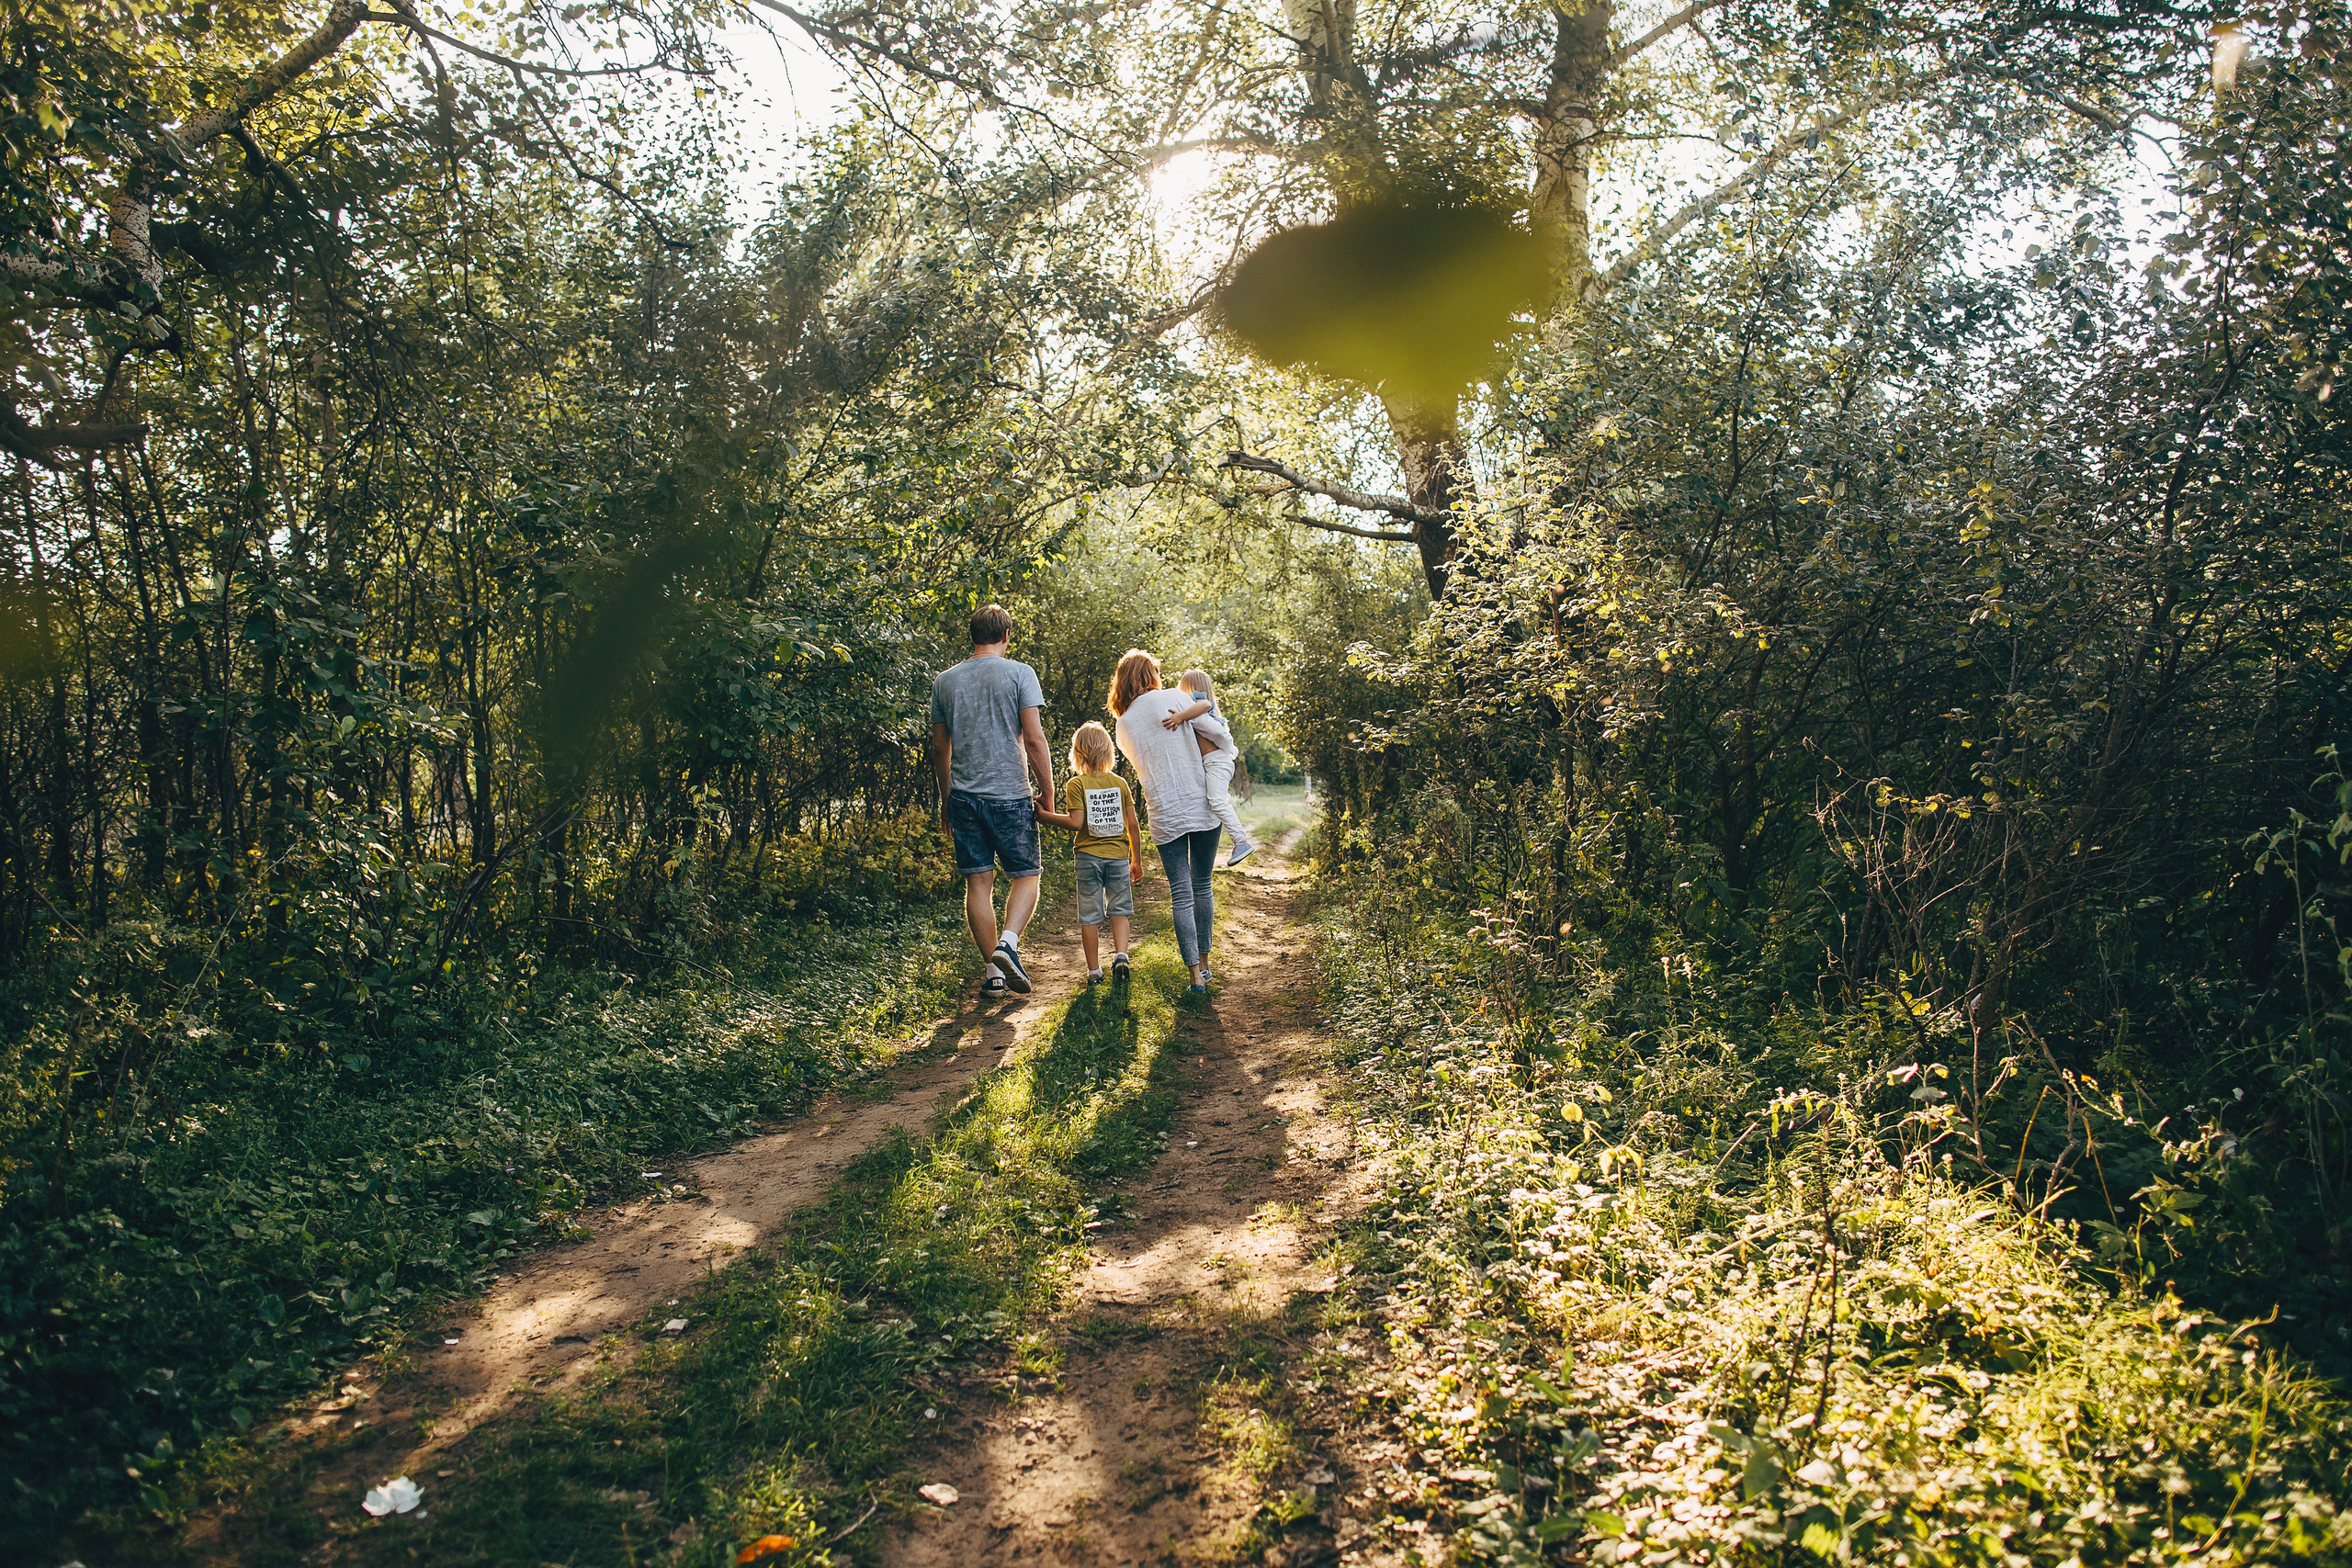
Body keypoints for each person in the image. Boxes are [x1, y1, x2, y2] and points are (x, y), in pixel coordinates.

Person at [930, 604, 1054, 998]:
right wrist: (1048, 790)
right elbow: (1034, 739)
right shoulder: (1020, 673)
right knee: (1027, 875)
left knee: (977, 885)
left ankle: (993, 974)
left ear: (973, 635)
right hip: (1010, 796)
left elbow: (939, 746)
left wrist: (946, 797)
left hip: (964, 798)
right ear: (1006, 636)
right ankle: (1008, 945)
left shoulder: (945, 681)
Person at [1108, 649, 1219, 998]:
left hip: (1165, 812)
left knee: (1181, 894)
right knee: (1202, 886)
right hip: (1201, 802)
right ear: (1150, 674)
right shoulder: (1175, 696)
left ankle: (1194, 978)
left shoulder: (1122, 725)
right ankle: (1204, 962)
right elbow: (1210, 732)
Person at [1032, 721, 1144, 985]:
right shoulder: (1120, 783)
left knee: (1090, 915)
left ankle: (1094, 971)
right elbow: (1133, 825)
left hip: (1087, 857)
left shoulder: (1076, 784)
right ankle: (1121, 955)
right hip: (1118, 856)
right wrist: (1136, 859)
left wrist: (1044, 816)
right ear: (1108, 752)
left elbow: (1076, 823)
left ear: (1078, 753)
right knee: (1119, 910)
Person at [1159, 668, 1258, 867]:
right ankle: (1239, 841)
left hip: (1217, 761)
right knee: (1214, 801)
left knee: (1217, 801)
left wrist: (1180, 717)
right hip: (1213, 762)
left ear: (1191, 688)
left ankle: (1241, 841)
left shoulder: (1200, 706)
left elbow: (1204, 704)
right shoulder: (1197, 711)